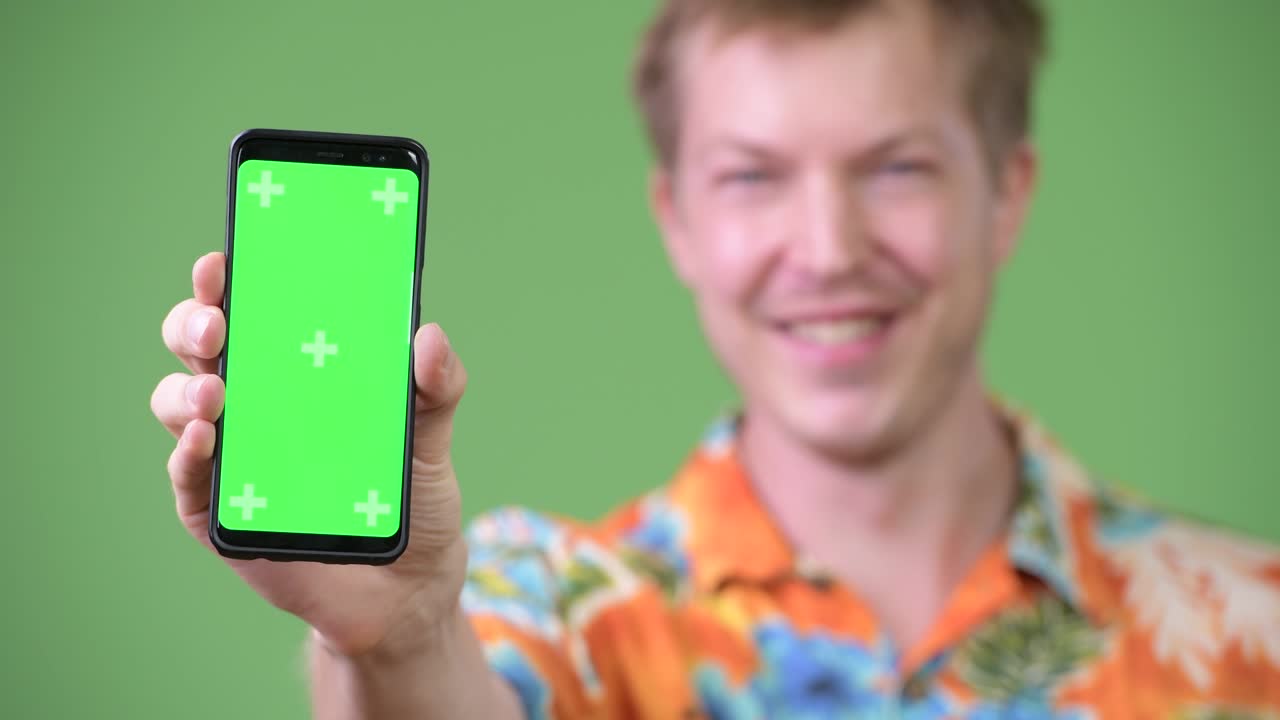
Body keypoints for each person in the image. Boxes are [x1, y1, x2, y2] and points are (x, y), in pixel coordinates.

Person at [151, 0, 1280, 717]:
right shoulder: (539, 607)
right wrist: (396, 649)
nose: (828, 252)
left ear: (1007, 195)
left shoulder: (1254, 626)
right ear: (676, 217)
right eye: (751, 176)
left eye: (895, 168)